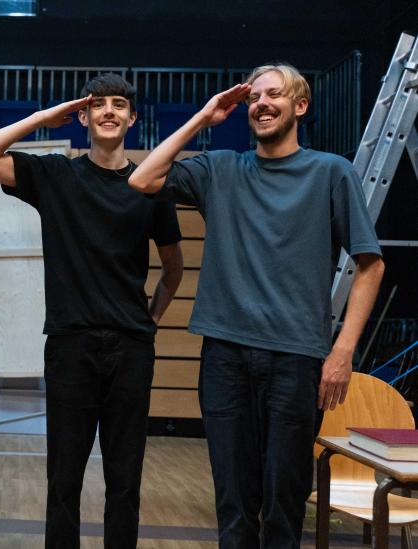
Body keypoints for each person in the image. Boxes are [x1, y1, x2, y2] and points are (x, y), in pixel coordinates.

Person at [128, 63, 384, 548]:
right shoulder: (220, 168)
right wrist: (204, 117)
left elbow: (370, 265)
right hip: (225, 357)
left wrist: (343, 350)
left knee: (284, 508)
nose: (262, 104)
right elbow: (142, 178)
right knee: (234, 507)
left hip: (297, 359)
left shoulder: (332, 172)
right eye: (254, 98)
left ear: (300, 106)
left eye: (274, 95)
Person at [0, 74, 184, 549]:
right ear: (82, 116)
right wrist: (45, 118)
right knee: (64, 478)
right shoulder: (56, 175)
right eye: (98, 104)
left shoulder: (150, 185)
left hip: (131, 349)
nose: (109, 111)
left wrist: (150, 320)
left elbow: (173, 268)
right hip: (70, 346)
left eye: (119, 104)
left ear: (132, 118)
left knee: (125, 479)